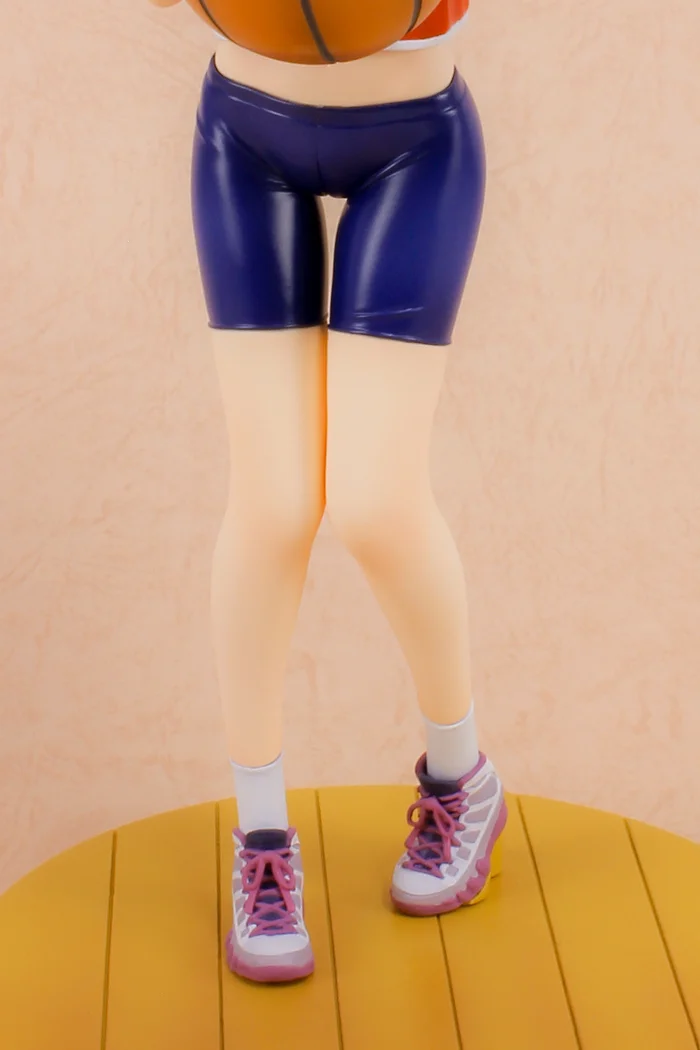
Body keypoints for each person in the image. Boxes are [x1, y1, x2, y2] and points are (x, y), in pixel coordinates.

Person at [148, 0, 508, 984]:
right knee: (270, 507)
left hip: (415, 143)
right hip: (245, 132)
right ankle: (262, 839)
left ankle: (461, 774)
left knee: (376, 501)